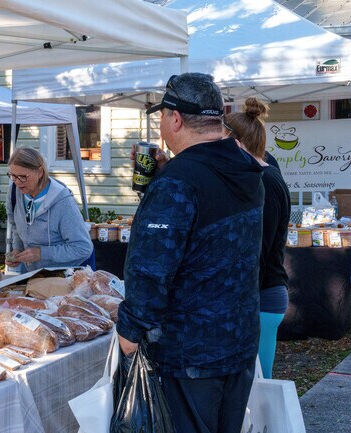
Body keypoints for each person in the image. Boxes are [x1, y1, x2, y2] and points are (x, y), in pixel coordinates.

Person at [117, 73, 265, 433]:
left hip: (190, 352)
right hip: (239, 339)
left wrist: (131, 328)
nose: (161, 124)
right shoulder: (247, 168)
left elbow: (152, 266)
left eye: (162, 116)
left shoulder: (180, 180)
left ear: (175, 118)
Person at [224, 98, 291, 379]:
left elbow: (257, 252)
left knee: (259, 383)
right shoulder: (261, 171)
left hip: (262, 298)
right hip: (259, 297)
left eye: (221, 143)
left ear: (236, 143)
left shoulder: (265, 181)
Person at [5, 147, 93, 272]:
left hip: (62, 276)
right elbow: (15, 225)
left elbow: (83, 248)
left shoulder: (62, 201)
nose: (17, 182)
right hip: (32, 273)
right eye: (13, 176)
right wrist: (17, 250)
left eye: (23, 176)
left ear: (40, 172)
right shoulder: (14, 191)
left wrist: (41, 253)